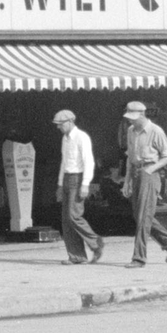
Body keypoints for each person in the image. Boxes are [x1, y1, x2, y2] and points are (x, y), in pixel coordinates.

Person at [121, 99, 167, 267]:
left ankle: (139, 258)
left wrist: (151, 168)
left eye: (133, 117)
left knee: (142, 217)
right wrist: (127, 182)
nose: (130, 121)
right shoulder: (131, 131)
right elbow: (130, 159)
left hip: (149, 174)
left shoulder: (155, 131)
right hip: (136, 172)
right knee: (140, 215)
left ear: (142, 114)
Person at [53, 109, 103, 264]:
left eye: (60, 124)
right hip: (67, 177)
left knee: (74, 215)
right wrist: (60, 185)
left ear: (69, 122)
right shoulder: (65, 139)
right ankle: (76, 256)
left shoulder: (82, 137)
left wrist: (85, 184)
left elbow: (89, 161)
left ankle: (95, 242)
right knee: (66, 220)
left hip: (78, 178)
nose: (58, 127)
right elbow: (63, 162)